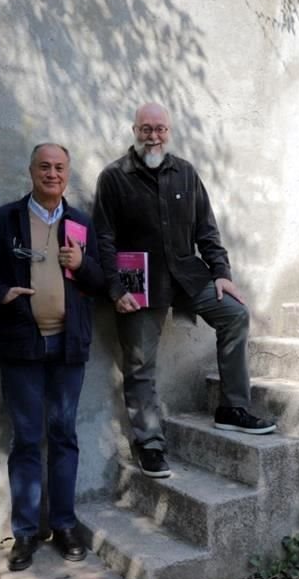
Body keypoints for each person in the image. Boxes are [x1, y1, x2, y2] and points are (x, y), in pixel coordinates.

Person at [93, 102, 276, 480]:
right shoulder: (114, 177)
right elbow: (104, 239)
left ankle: (232, 409)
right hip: (138, 283)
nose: (153, 136)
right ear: (134, 130)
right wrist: (114, 288)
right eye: (146, 129)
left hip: (187, 276)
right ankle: (150, 443)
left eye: (160, 129)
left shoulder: (186, 173)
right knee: (141, 362)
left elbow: (206, 230)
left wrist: (222, 273)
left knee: (235, 315)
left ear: (169, 132)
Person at [0, 143, 103, 571]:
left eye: (59, 167)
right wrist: (1, 293)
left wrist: (83, 264)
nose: (52, 174)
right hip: (22, 345)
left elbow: (101, 281)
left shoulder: (80, 223)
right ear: (31, 172)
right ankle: (24, 533)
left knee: (63, 436)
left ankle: (64, 524)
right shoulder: (6, 220)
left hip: (69, 346)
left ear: (68, 174)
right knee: (25, 439)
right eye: (45, 167)